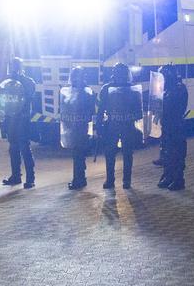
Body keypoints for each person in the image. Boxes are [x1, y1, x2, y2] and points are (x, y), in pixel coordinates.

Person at [97, 62, 143, 190]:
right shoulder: (106, 88)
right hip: (112, 125)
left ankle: (126, 181)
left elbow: (138, 111)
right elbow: (101, 109)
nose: (120, 75)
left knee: (127, 153)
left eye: (122, 73)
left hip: (127, 125)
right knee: (110, 153)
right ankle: (110, 180)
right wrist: (99, 125)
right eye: (118, 73)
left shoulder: (132, 89)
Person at [0, 57, 37, 189]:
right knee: (13, 148)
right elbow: (3, 98)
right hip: (10, 118)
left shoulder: (28, 82)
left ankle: (30, 178)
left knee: (25, 148)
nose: (13, 69)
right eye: (11, 66)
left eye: (15, 66)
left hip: (22, 118)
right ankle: (16, 176)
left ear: (20, 67)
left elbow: (28, 97)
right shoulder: (8, 83)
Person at [59, 67, 98, 190]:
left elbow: (91, 111)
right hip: (73, 126)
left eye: (77, 76)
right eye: (74, 76)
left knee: (78, 153)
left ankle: (79, 180)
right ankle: (80, 178)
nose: (75, 79)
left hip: (81, 127)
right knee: (78, 154)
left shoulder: (86, 92)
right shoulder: (69, 91)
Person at [158, 65, 188, 191]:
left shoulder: (178, 89)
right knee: (166, 152)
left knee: (177, 153)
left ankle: (178, 179)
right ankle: (168, 176)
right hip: (167, 125)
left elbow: (174, 107)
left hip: (176, 125)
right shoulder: (167, 89)